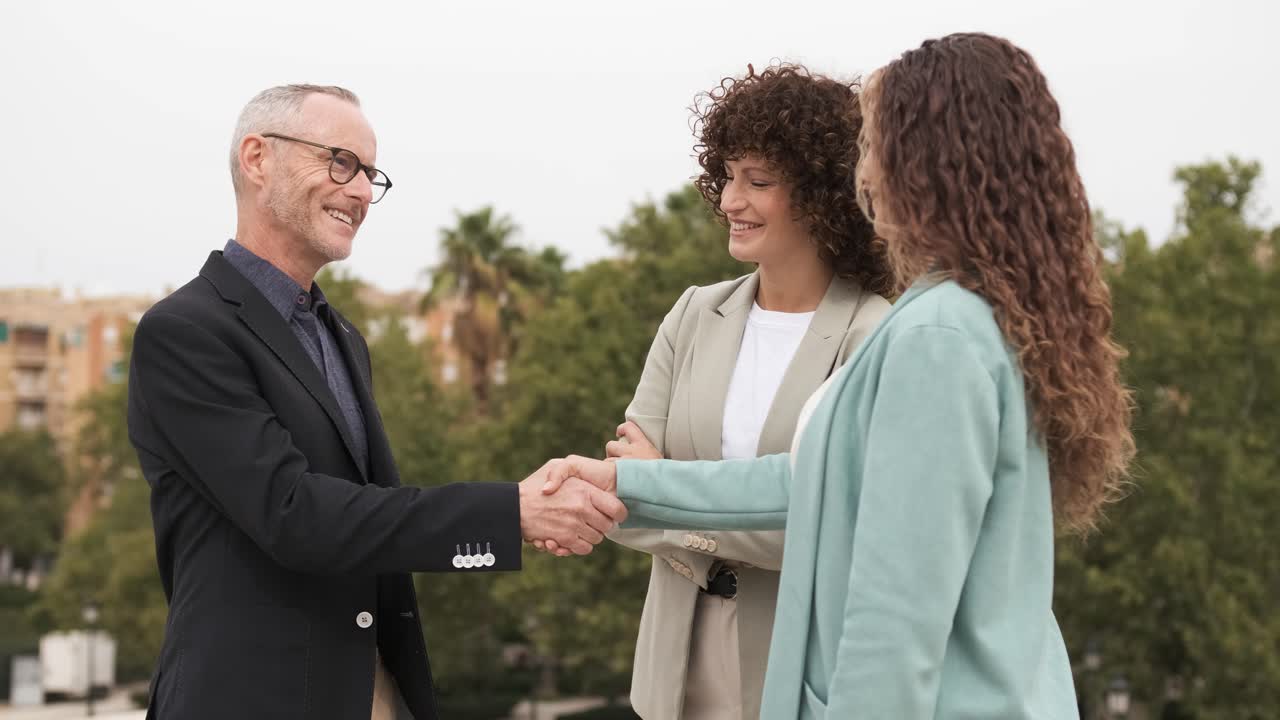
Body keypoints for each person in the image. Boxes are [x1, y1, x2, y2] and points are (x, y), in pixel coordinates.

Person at [543, 34, 1135, 719]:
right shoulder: (963, 318)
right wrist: (628, 482)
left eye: (875, 144)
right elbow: (811, 484)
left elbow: (894, 617)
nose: (865, 171)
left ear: (922, 162)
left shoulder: (935, 338)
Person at [126, 84, 624, 720]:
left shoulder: (342, 336)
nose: (361, 191)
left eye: (369, 173)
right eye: (341, 162)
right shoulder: (184, 332)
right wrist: (510, 513)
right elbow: (294, 515)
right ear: (257, 158)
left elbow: (369, 517)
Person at [541, 63, 893, 720]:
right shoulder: (694, 314)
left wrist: (661, 490)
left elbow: (832, 532)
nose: (731, 200)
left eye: (757, 181)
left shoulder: (874, 336)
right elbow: (622, 497)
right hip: (671, 668)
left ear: (823, 194)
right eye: (728, 176)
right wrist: (656, 492)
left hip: (798, 666)